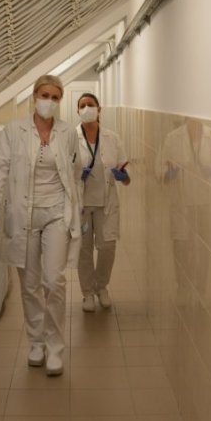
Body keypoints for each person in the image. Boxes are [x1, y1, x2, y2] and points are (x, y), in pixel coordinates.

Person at [0, 75, 81, 376]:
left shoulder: (67, 132)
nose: (49, 101)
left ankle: (56, 347)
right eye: (44, 95)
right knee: (30, 284)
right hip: (23, 214)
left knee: (54, 281)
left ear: (60, 101)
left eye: (54, 97)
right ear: (34, 96)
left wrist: (79, 210)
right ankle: (36, 343)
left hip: (56, 213)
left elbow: (74, 172)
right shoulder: (14, 130)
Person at [75, 93, 130, 312]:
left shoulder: (112, 138)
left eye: (90, 105)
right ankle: (88, 293)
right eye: (82, 106)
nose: (86, 108)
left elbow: (126, 175)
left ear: (99, 109)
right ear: (77, 111)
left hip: (106, 204)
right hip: (82, 206)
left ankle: (101, 287)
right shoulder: (71, 138)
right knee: (84, 250)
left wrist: (123, 176)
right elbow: (63, 173)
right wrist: (77, 175)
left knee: (107, 248)